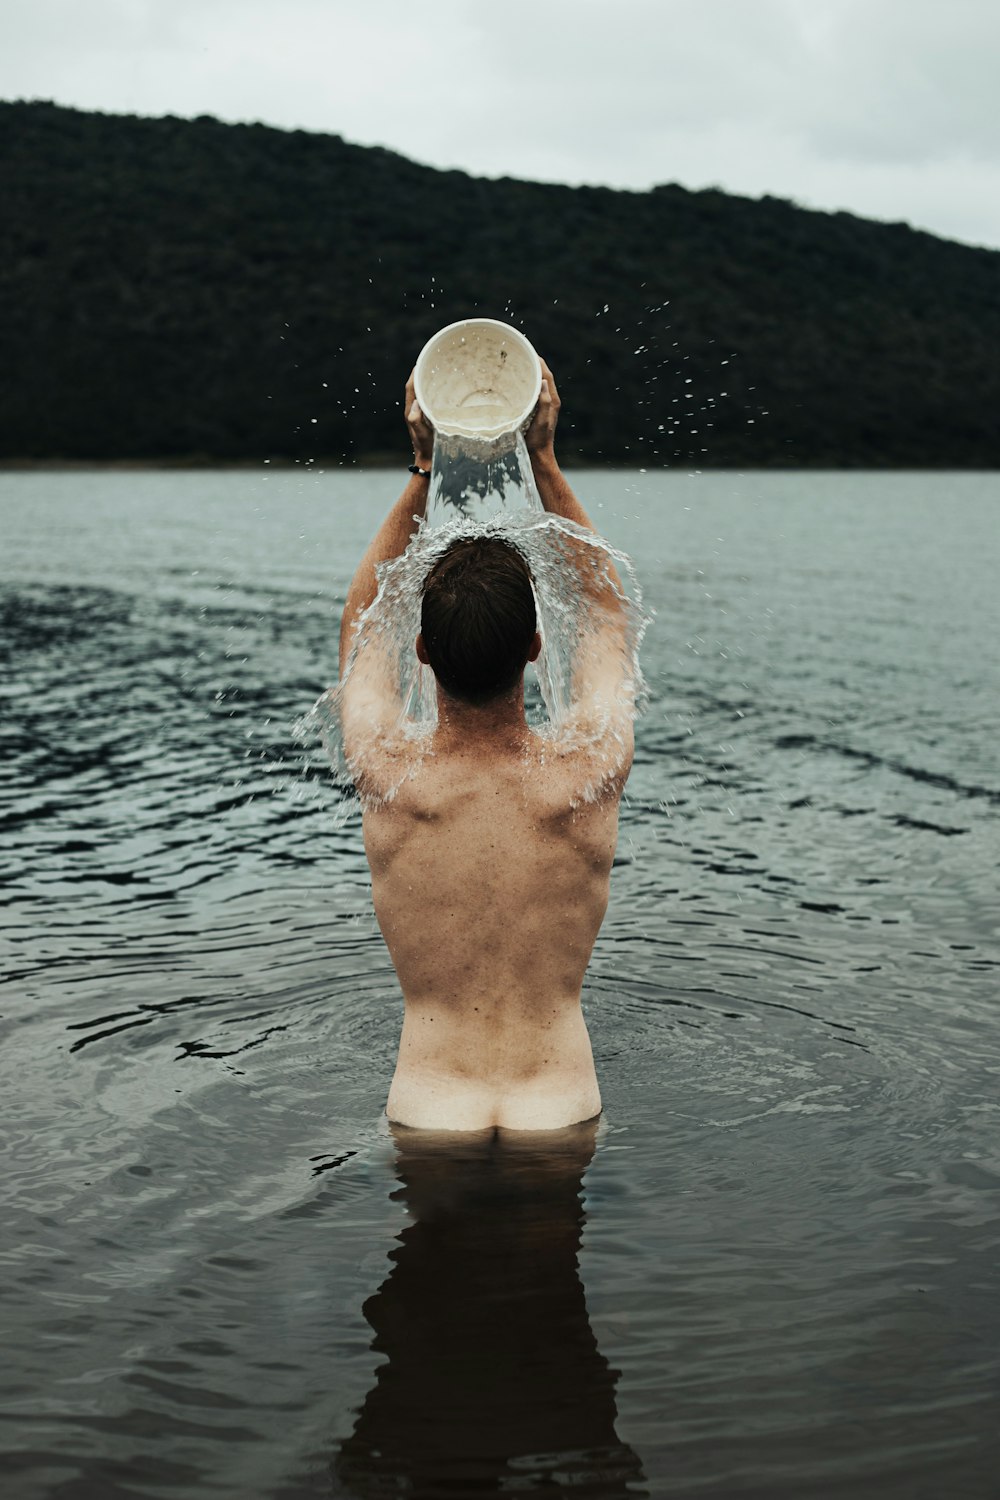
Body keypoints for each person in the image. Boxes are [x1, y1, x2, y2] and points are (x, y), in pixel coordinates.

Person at [338, 361, 636, 1131]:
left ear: (422, 654)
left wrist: (425, 467)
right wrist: (541, 458)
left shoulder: (386, 769)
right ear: (537, 647)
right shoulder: (588, 769)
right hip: (560, 1108)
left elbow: (364, 619)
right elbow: (605, 612)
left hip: (426, 1110)